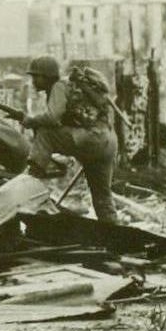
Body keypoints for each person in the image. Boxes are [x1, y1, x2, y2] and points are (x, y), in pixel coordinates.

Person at [21, 55, 119, 224]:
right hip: (107, 141)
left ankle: (34, 174)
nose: (33, 81)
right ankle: (115, 234)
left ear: (46, 76)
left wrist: (31, 121)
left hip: (90, 139)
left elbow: (52, 118)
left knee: (45, 131)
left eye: (35, 76)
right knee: (102, 196)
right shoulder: (76, 87)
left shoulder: (59, 86)